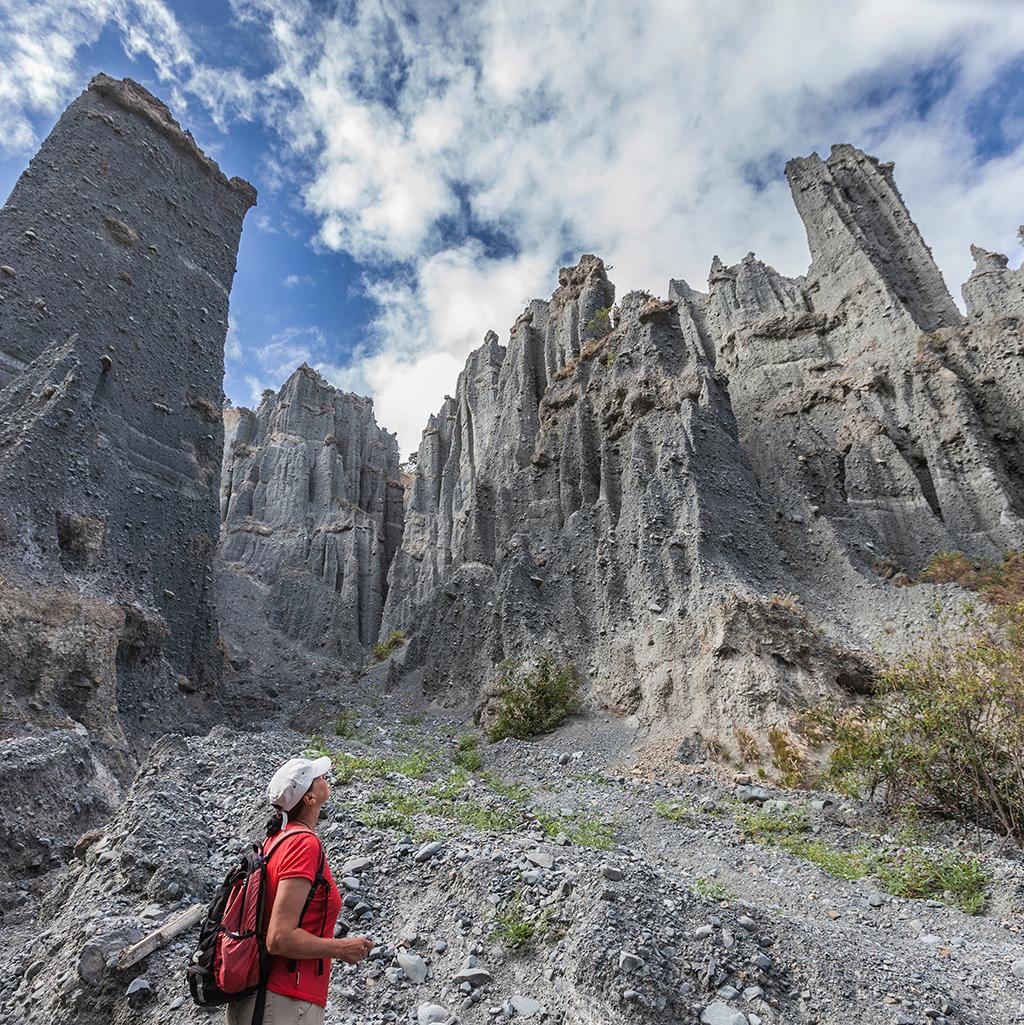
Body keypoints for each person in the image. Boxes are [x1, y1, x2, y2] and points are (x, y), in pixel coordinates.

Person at [226, 755, 374, 1025]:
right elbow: (279, 938)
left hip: (261, 999)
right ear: (309, 799)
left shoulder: (275, 842)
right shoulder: (303, 845)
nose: (324, 778)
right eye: (318, 777)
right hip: (282, 1002)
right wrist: (341, 948)